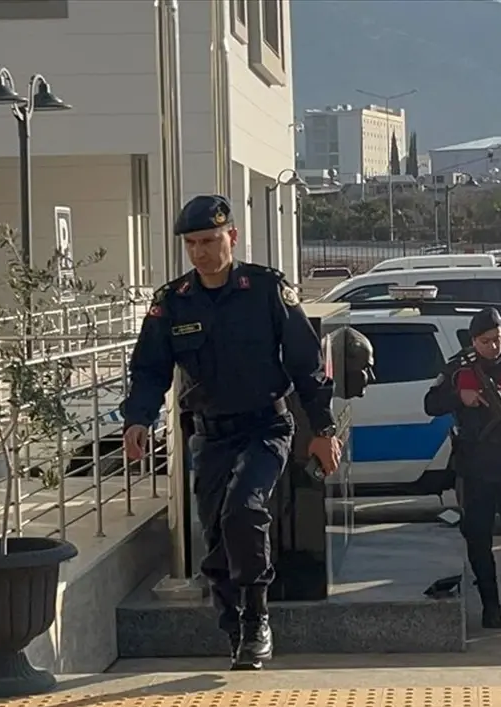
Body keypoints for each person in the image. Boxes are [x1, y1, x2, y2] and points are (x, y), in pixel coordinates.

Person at [120, 194, 341, 670]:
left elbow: (306, 364)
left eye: (210, 240)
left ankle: (258, 617)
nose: (200, 252)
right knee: (217, 530)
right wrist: (138, 418)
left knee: (245, 508)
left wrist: (322, 429)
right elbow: (149, 369)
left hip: (266, 425)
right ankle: (233, 623)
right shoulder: (172, 302)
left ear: (232, 238)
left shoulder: (265, 289)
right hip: (211, 434)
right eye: (192, 243)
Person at [423, 308, 501, 629]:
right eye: (485, 341)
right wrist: (461, 396)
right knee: (477, 536)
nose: (493, 346)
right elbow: (431, 403)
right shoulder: (459, 369)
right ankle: (490, 602)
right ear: (473, 341)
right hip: (475, 467)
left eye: (497, 339)